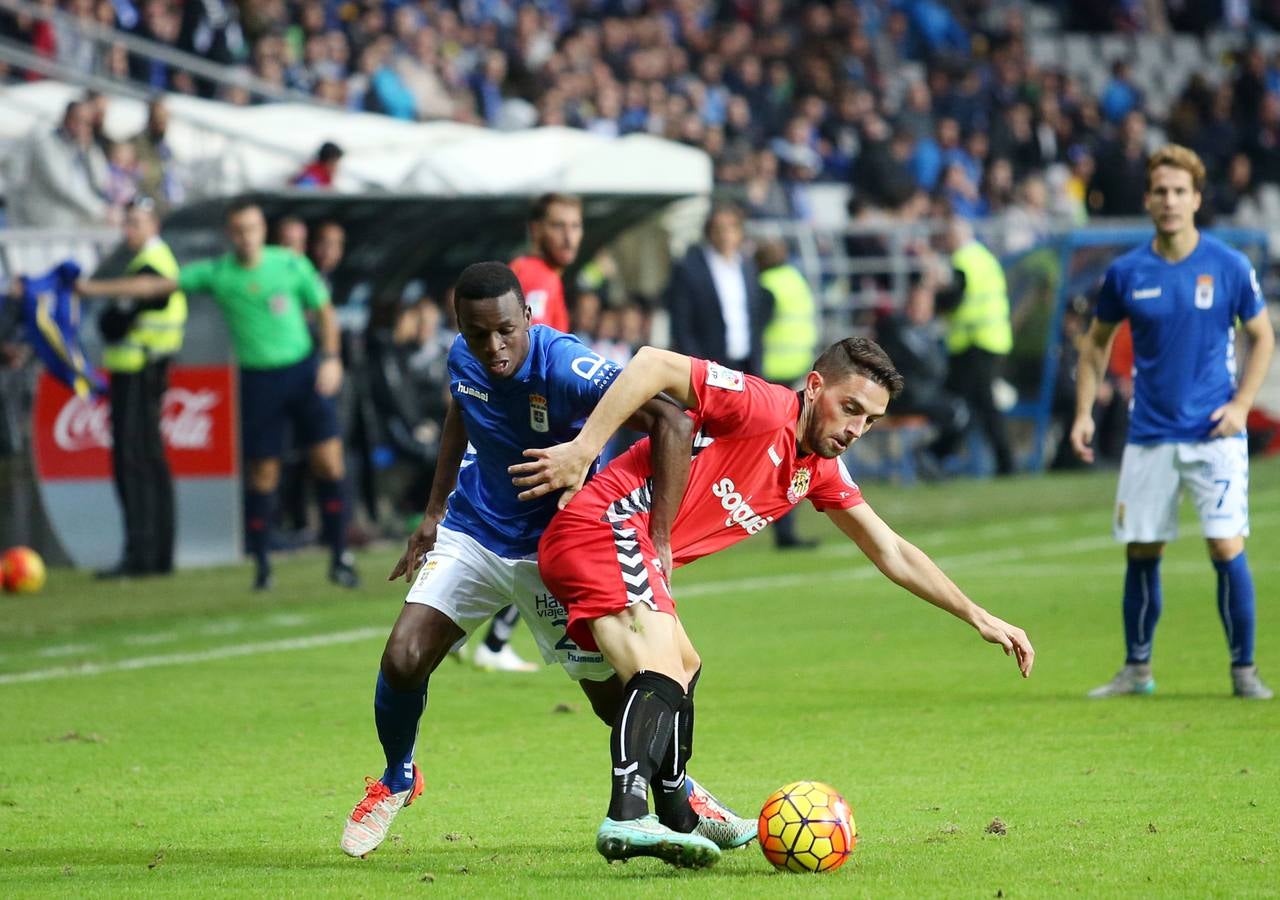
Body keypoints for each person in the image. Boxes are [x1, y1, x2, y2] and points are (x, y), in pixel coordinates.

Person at [513, 338, 1035, 867]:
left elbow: (891, 549)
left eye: (870, 420)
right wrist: (585, 449)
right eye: (850, 408)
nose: (856, 429)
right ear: (815, 387)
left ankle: (678, 815)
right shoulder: (762, 406)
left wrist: (976, 615)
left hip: (619, 545)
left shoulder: (818, 469)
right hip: (603, 527)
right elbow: (652, 363)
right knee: (662, 672)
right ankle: (627, 813)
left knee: (684, 668)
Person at [340, 262, 753, 859]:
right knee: (403, 658)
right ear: (460, 327)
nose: (493, 346)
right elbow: (462, 409)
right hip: (474, 532)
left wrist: (658, 535)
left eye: (505, 330)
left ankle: (682, 793)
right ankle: (397, 777)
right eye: (477, 334)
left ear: (528, 319)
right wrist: (433, 511)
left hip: (558, 548)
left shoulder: (565, 365)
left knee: (615, 701)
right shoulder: (463, 357)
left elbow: (671, 419)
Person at [1071, 144, 1276, 700]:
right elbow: (1095, 345)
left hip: (1214, 436)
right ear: (1148, 199)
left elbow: (1263, 337)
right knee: (1142, 550)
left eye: (1180, 191)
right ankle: (1137, 670)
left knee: (1226, 547)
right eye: (1160, 191)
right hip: (1149, 436)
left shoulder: (1229, 266)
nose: (1169, 200)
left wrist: (1241, 404)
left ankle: (1244, 671)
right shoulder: (1126, 272)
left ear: (1196, 199)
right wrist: (1084, 412)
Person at [76, 198, 358, 591]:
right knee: (263, 473)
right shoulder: (219, 273)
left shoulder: (289, 264)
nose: (246, 237)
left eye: (252, 229)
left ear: (263, 230)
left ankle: (340, 556)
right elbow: (155, 285)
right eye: (239, 231)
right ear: (230, 234)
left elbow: (325, 312)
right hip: (258, 381)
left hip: (302, 373)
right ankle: (262, 566)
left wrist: (330, 358)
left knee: (328, 462)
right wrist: (89, 288)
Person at [475, 193, 587, 672]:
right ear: (535, 229)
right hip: (531, 428)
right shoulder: (535, 278)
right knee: (544, 537)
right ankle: (491, 640)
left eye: (575, 226)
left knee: (528, 535)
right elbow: (523, 355)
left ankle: (472, 631)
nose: (568, 236)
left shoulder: (539, 275)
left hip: (526, 425)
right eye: (558, 225)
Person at [95, 198, 187, 578]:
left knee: (133, 463)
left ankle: (140, 555)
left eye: (136, 222)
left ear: (154, 225)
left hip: (138, 371)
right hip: (145, 371)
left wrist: (97, 297)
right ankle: (158, 555)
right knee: (150, 460)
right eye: (126, 222)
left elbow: (113, 323)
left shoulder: (151, 265)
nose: (128, 229)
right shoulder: (152, 262)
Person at [927, 217, 1016, 475]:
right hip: (993, 339)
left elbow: (954, 299)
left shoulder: (962, 261)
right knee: (974, 402)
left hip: (973, 342)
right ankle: (941, 452)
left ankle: (939, 452)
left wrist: (934, 294)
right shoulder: (985, 258)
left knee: (970, 402)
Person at [757, 237, 820, 548]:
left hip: (772, 377)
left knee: (773, 455)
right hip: (799, 374)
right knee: (789, 455)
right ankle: (784, 527)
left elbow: (756, 328)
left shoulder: (766, 286)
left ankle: (781, 527)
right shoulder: (795, 279)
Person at [666, 202, 773, 377]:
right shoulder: (690, 268)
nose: (726, 235)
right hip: (709, 366)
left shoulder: (747, 266)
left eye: (732, 228)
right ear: (709, 232)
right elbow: (681, 324)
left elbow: (754, 314)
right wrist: (697, 367)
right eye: (720, 229)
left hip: (746, 363)